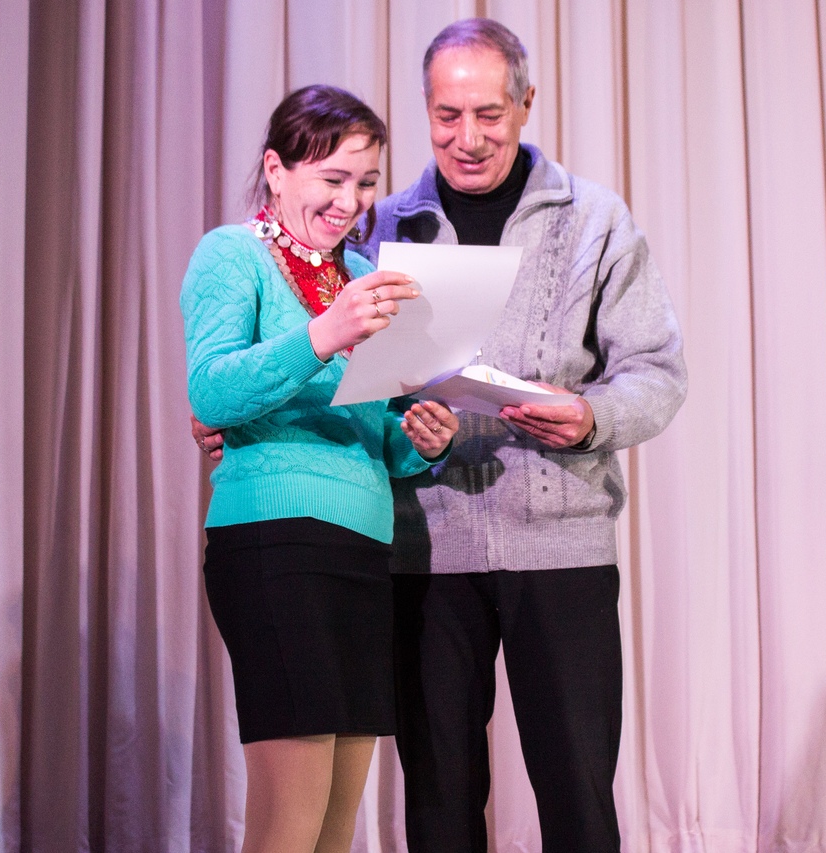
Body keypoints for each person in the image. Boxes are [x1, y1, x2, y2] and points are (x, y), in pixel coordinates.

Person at [363, 19, 686, 852]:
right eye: (447, 116)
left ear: (525, 103)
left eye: (488, 114)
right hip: (425, 551)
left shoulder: (594, 218)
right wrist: (405, 425)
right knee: (438, 796)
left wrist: (590, 416)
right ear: (425, 109)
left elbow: (657, 370)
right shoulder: (385, 224)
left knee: (577, 794)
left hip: (562, 549)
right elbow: (348, 378)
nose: (467, 138)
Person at [181, 85, 459, 853]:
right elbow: (210, 390)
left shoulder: (359, 272)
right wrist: (322, 334)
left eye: (365, 182)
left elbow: (371, 430)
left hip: (362, 548)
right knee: (289, 818)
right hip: (275, 542)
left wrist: (419, 440)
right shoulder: (232, 254)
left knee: (338, 823)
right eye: (332, 179)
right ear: (276, 170)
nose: (351, 202)